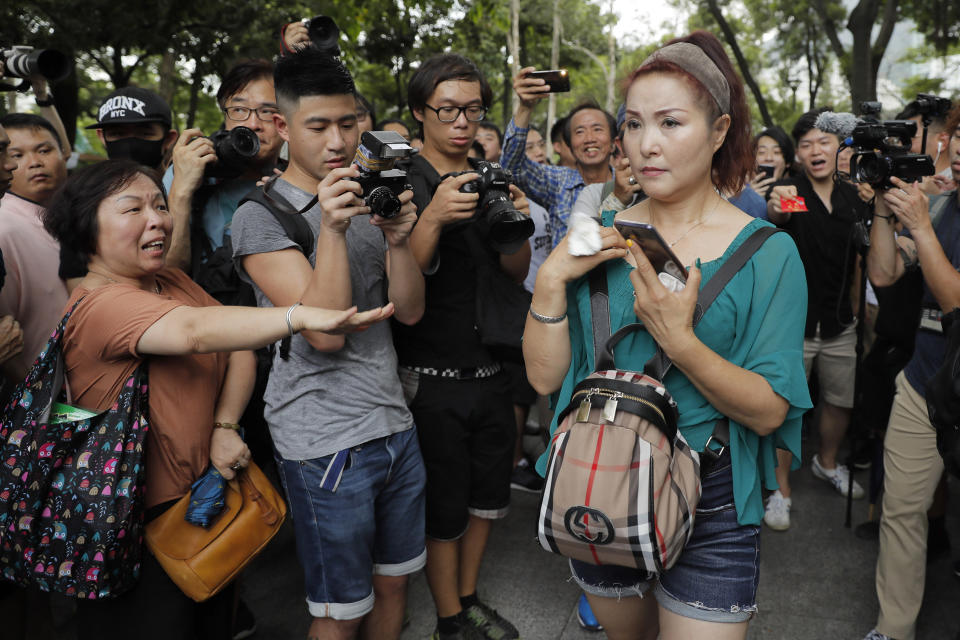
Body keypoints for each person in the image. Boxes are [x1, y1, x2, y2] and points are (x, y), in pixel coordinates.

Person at [524, 31, 809, 640]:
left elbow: (768, 412)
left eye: (671, 123)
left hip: (714, 499)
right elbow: (547, 379)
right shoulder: (595, 231)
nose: (646, 144)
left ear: (719, 131)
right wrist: (549, 284)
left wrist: (681, 343)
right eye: (632, 124)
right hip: (596, 476)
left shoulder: (769, 252)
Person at [39, 160, 389, 640]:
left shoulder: (170, 282)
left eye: (160, 205)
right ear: (86, 226)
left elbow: (239, 342)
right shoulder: (99, 304)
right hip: (132, 528)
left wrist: (224, 428)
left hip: (203, 503)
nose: (157, 219)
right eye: (133, 208)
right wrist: (302, 316)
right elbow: (196, 332)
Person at [230, 48, 427, 640]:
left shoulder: (371, 192)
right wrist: (335, 230)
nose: (338, 141)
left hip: (393, 424)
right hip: (322, 444)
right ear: (283, 128)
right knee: (342, 610)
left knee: (395, 582)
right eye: (319, 127)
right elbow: (323, 329)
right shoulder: (259, 215)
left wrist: (397, 240)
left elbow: (411, 311)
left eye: (349, 123)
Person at [400, 52, 530, 640]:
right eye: (448, 109)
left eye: (473, 109)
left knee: (487, 498)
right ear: (420, 112)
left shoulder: (491, 174)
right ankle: (449, 618)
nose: (462, 122)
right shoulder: (400, 180)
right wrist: (429, 218)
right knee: (444, 506)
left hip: (493, 366)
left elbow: (513, 270)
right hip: (431, 374)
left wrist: (518, 219)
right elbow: (404, 278)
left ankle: (468, 596)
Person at [860, 103, 960, 640]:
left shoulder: (932, 214)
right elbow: (884, 271)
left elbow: (957, 304)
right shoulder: (943, 206)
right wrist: (882, 210)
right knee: (901, 514)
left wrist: (919, 225)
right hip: (923, 382)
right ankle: (893, 628)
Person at [764, 107, 869, 531]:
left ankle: (827, 463)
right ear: (798, 155)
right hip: (795, 323)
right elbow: (778, 217)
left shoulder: (851, 195)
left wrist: (860, 311)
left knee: (840, 400)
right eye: (806, 144)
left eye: (823, 142)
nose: (815, 150)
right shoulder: (790, 188)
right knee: (787, 407)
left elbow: (861, 258)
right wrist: (776, 208)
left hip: (841, 321)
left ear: (837, 147)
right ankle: (780, 490)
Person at [162, 59, 284, 274]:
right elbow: (168, 277)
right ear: (225, 117)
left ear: (285, 122)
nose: (252, 124)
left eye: (266, 111)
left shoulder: (295, 181)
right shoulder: (190, 171)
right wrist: (181, 191)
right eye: (238, 109)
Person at [503, 78, 616, 246]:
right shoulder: (557, 182)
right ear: (569, 146)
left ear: (614, 143)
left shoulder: (629, 184)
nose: (589, 139)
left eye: (597, 129)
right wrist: (525, 108)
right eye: (580, 132)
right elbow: (513, 167)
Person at [0, 113, 69, 382]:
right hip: (40, 401)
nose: (34, 163)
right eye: (16, 154)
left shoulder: (66, 217)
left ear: (63, 153)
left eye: (44, 150)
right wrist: (40, 406)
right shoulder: (5, 229)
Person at [87, 86, 178, 169]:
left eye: (144, 133)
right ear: (102, 137)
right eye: (117, 133)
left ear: (168, 139)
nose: (129, 146)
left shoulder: (186, 185)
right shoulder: (84, 186)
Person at [897, 99, 955, 195]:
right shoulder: (904, 179)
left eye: (910, 138)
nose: (900, 145)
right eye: (899, 139)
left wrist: (935, 197)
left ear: (942, 141)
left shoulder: (955, 187)